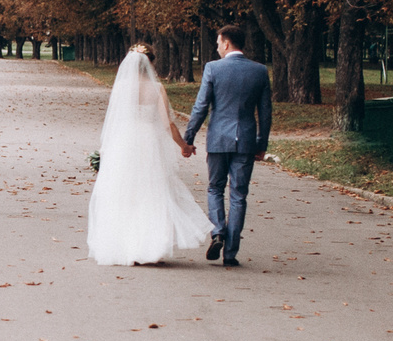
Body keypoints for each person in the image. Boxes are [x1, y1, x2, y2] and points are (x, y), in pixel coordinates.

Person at [86, 45, 215, 265]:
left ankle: (124, 247)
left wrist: (106, 148)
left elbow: (114, 119)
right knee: (150, 193)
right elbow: (167, 124)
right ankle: (149, 247)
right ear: (150, 63)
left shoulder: (121, 87)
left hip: (124, 142)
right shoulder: (156, 88)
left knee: (125, 194)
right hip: (148, 143)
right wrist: (183, 145)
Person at [179, 24, 273, 267]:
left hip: (218, 139)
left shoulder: (213, 68)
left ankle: (218, 232)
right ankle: (230, 253)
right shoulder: (260, 71)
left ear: (227, 43)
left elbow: (201, 107)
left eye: (218, 43)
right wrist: (261, 143)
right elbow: (265, 112)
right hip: (246, 140)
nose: (217, 47)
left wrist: (188, 139)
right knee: (239, 195)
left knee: (215, 188)